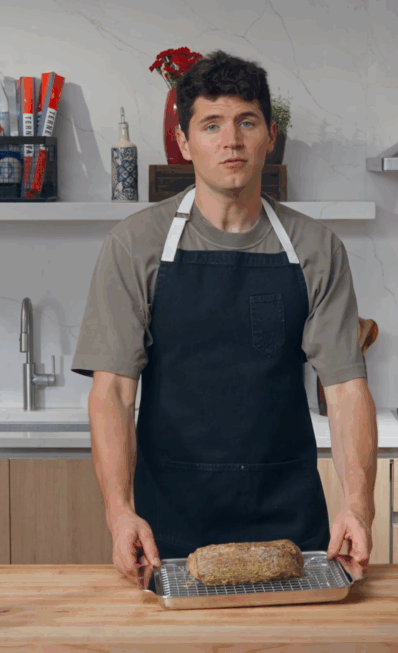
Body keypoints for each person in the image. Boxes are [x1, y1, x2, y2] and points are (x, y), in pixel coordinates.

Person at [71, 50, 377, 586]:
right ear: (185, 142)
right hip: (168, 524)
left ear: (270, 135)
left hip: (291, 521)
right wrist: (120, 513)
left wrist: (359, 505)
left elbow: (347, 390)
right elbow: (114, 393)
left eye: (246, 122)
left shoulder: (316, 249)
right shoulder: (135, 245)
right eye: (211, 125)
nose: (231, 140)